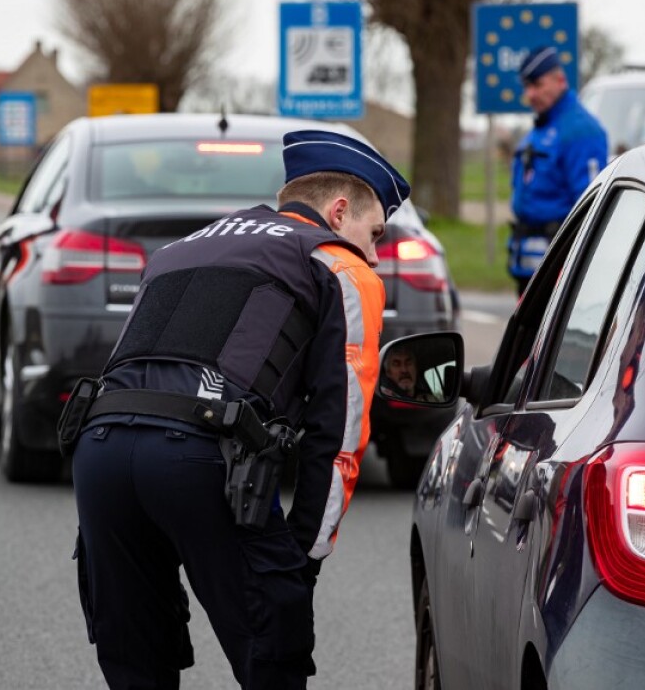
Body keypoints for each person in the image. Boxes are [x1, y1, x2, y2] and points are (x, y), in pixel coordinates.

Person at [68, 129, 409, 689]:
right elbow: (339, 429)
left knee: (136, 662)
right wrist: (302, 558)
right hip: (199, 459)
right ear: (339, 210)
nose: (374, 253)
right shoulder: (337, 263)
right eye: (374, 233)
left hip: (99, 451)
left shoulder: (184, 247)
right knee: (274, 653)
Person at [509, 46, 609, 294]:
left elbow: (591, 208)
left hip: (557, 270)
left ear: (560, 80)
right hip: (529, 269)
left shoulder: (580, 130)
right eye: (526, 87)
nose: (530, 94)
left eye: (537, 85)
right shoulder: (542, 128)